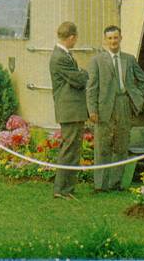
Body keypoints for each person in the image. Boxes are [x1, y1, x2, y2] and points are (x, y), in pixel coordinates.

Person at [86, 26, 144, 192]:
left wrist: (135, 96)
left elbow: (142, 81)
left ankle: (115, 183)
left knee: (121, 145)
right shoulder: (97, 61)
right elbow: (91, 88)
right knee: (102, 147)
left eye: (116, 38)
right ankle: (100, 185)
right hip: (104, 107)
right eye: (110, 38)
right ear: (105, 41)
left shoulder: (129, 59)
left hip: (123, 104)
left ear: (121, 38)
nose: (113, 41)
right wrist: (92, 110)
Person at [49, 21, 90, 200]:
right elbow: (79, 80)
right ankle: (62, 189)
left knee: (73, 148)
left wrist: (81, 74)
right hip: (70, 109)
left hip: (72, 109)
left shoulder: (64, 55)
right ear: (72, 37)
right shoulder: (60, 57)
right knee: (69, 149)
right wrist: (84, 74)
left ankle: (67, 188)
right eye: (76, 38)